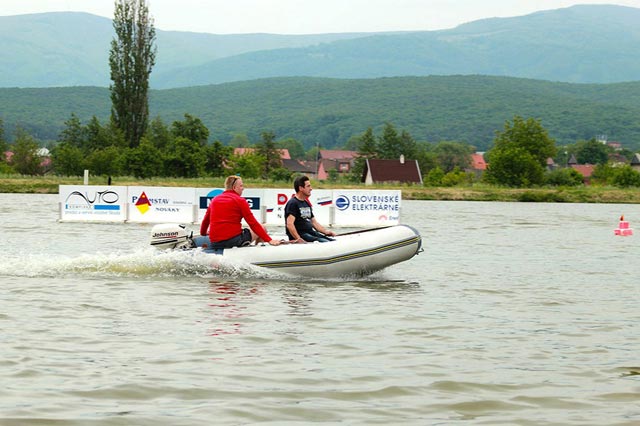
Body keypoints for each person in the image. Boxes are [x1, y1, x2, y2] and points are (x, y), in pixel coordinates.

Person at [200, 175, 281, 249]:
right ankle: (256, 254)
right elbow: (253, 223)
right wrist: (269, 240)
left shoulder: (214, 200)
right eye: (241, 185)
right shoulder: (240, 201)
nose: (243, 188)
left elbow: (206, 221)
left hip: (215, 243)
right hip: (233, 241)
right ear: (234, 187)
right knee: (262, 228)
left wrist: (203, 233)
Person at [285, 175, 336, 243]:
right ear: (301, 188)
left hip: (310, 233)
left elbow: (314, 222)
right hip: (301, 235)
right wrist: (298, 239)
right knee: (325, 242)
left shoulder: (306, 203)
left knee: (333, 241)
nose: (311, 188)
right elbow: (289, 224)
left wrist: (326, 232)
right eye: (308, 186)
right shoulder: (293, 203)